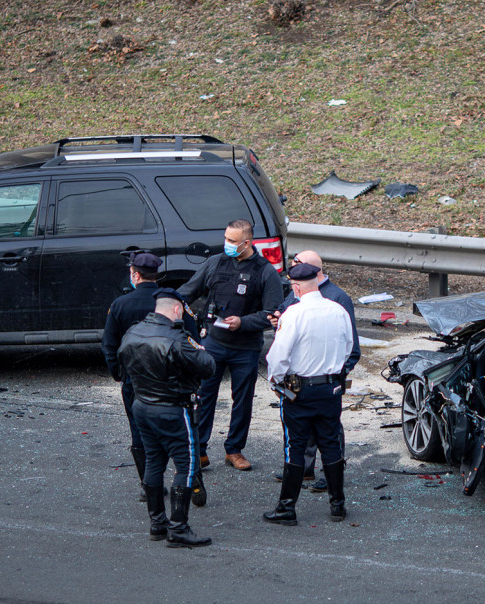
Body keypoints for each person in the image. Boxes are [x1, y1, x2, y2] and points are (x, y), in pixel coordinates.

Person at [179, 219, 284, 473]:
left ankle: (234, 449)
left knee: (243, 400)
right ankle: (199, 449)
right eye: (226, 238)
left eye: (233, 241)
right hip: (213, 343)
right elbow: (187, 291)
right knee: (203, 396)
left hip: (245, 348)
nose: (227, 244)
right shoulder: (215, 263)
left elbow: (273, 314)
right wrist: (165, 303)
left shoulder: (265, 272)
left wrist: (244, 322)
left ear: (246, 243)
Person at [118, 288, 217, 547]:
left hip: (142, 406)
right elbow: (208, 366)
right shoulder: (178, 339)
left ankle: (157, 524)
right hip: (174, 409)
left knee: (153, 462)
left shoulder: (132, 332)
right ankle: (179, 528)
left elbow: (121, 365)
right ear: (177, 310)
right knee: (187, 466)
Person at [262, 262, 354, 525]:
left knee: (295, 446)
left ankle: (286, 508)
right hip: (331, 389)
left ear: (296, 286)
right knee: (331, 443)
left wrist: (275, 381)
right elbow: (348, 347)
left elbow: (279, 356)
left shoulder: (294, 313)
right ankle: (338, 504)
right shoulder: (338, 310)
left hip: (299, 390)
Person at [101, 251, 165, 500]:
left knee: (139, 430)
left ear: (135, 275)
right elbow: (190, 341)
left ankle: (148, 484)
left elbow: (109, 344)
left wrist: (117, 372)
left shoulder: (120, 304)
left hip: (134, 379)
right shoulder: (171, 301)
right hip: (166, 378)